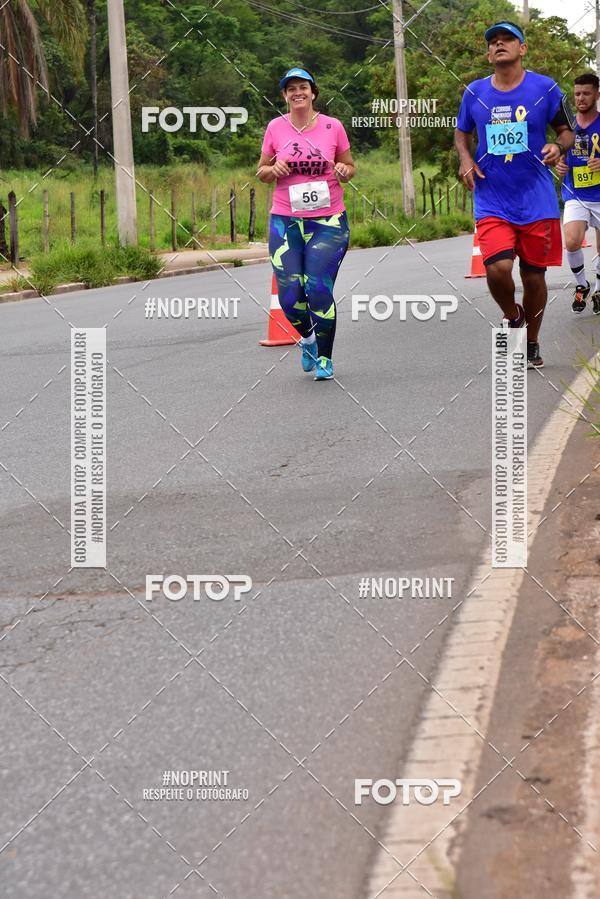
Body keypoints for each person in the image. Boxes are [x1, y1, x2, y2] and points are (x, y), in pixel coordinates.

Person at [455, 20, 575, 368]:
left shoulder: (546, 88)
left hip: (536, 198)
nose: (499, 44)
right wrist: (465, 159)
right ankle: (513, 313)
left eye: (508, 39)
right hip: (492, 195)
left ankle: (532, 342)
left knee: (533, 276)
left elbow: (566, 130)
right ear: (488, 52)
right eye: (493, 41)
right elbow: (462, 133)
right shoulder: (474, 92)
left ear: (523, 49)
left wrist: (557, 146)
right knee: (497, 267)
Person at [257, 67, 355, 380]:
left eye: (303, 87)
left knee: (317, 287)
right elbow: (260, 171)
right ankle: (309, 339)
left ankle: (325, 359)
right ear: (284, 96)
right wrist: (274, 169)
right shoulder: (275, 128)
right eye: (290, 89)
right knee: (288, 295)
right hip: (285, 221)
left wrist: (343, 169)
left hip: (328, 221)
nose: (297, 93)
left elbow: (350, 166)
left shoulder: (332, 126)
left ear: (313, 92)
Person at [556, 72, 600, 315]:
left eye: (586, 93)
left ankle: (599, 289)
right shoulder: (568, 126)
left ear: (597, 95)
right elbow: (560, 155)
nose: (581, 98)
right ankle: (581, 284)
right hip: (576, 194)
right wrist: (560, 164)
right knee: (572, 241)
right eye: (577, 94)